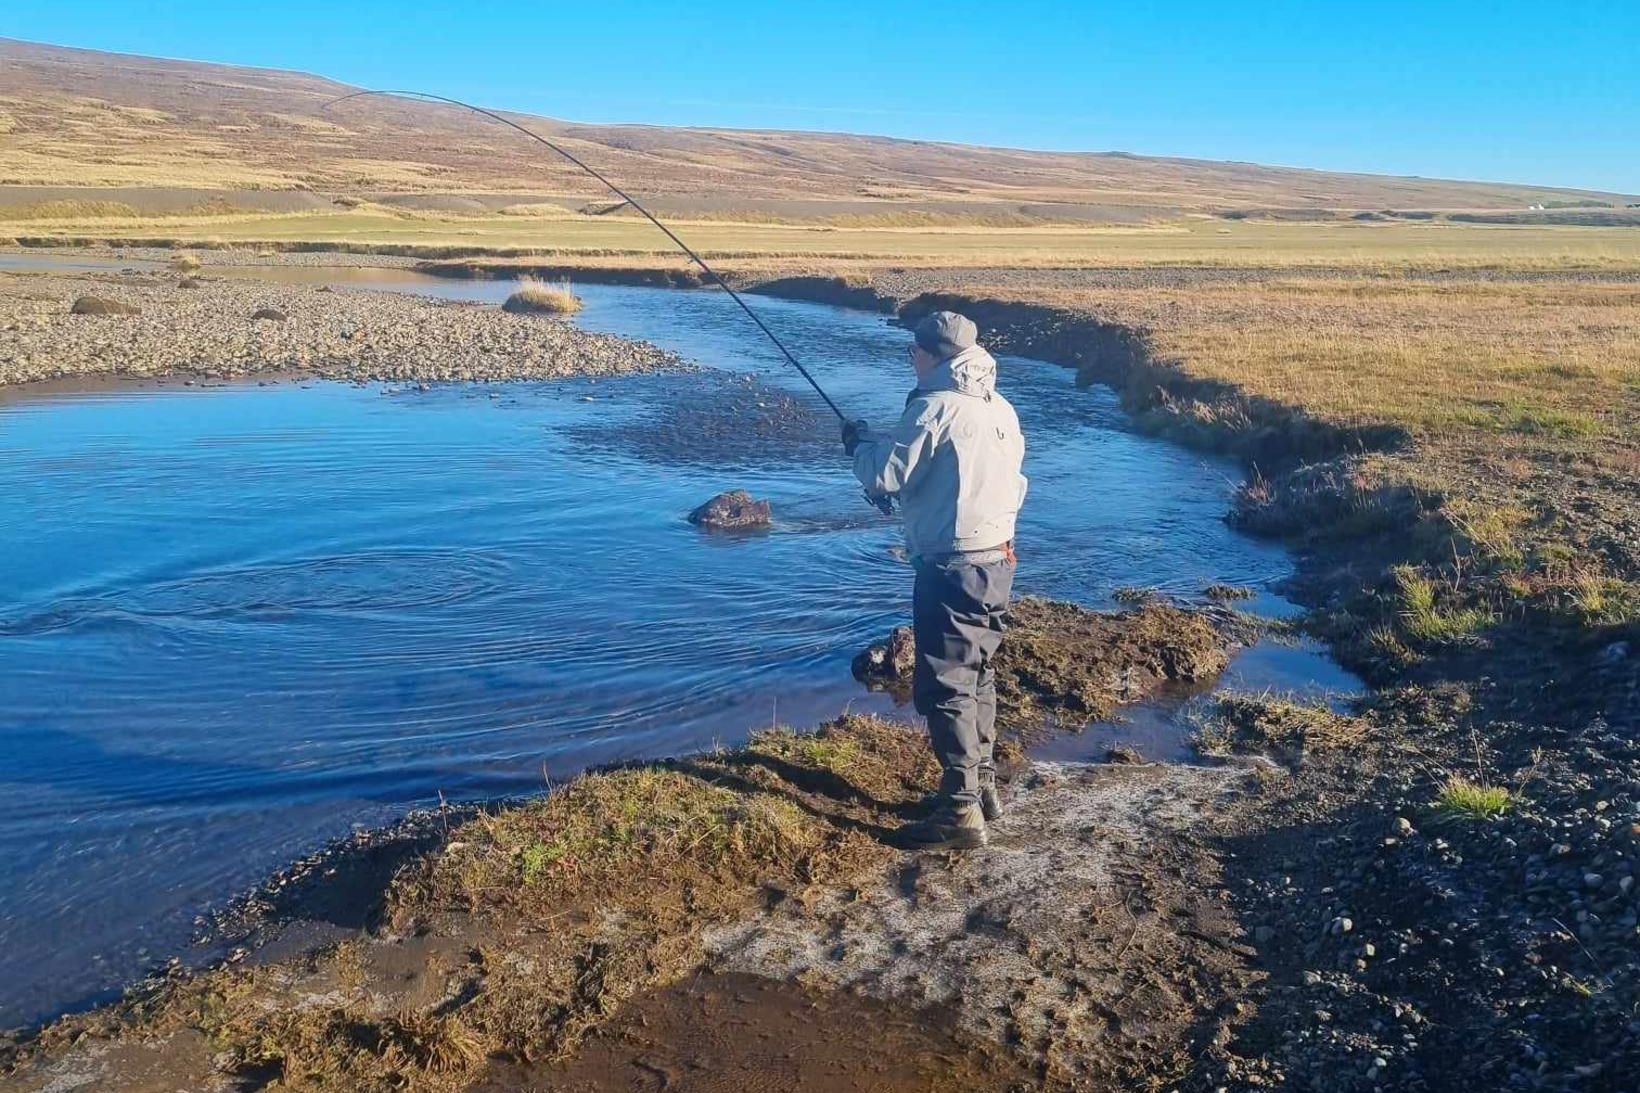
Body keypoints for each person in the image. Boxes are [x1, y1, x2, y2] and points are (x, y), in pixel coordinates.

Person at [843, 311, 1028, 850]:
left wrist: (858, 445)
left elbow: (885, 474)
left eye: (913, 353)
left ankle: (959, 811)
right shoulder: (1000, 407)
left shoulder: (932, 406)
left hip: (951, 564)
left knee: (946, 683)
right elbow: (1009, 482)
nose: (911, 361)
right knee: (979, 674)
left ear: (930, 355)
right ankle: (982, 787)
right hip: (998, 560)